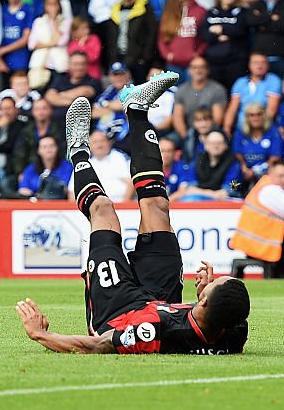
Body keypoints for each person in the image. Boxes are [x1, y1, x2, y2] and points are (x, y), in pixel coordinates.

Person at [17, 76, 250, 354]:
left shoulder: (151, 331)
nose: (212, 279)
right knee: (156, 206)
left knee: (104, 210)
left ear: (204, 305)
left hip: (119, 311)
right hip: (164, 300)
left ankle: (78, 152)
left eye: (214, 286)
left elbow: (96, 345)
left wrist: (40, 334)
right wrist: (204, 294)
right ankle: (137, 109)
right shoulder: (235, 328)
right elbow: (211, 320)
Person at [229, 161, 284, 279]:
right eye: (280, 176)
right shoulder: (270, 190)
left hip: (251, 242)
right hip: (261, 243)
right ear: (270, 175)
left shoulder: (262, 187)